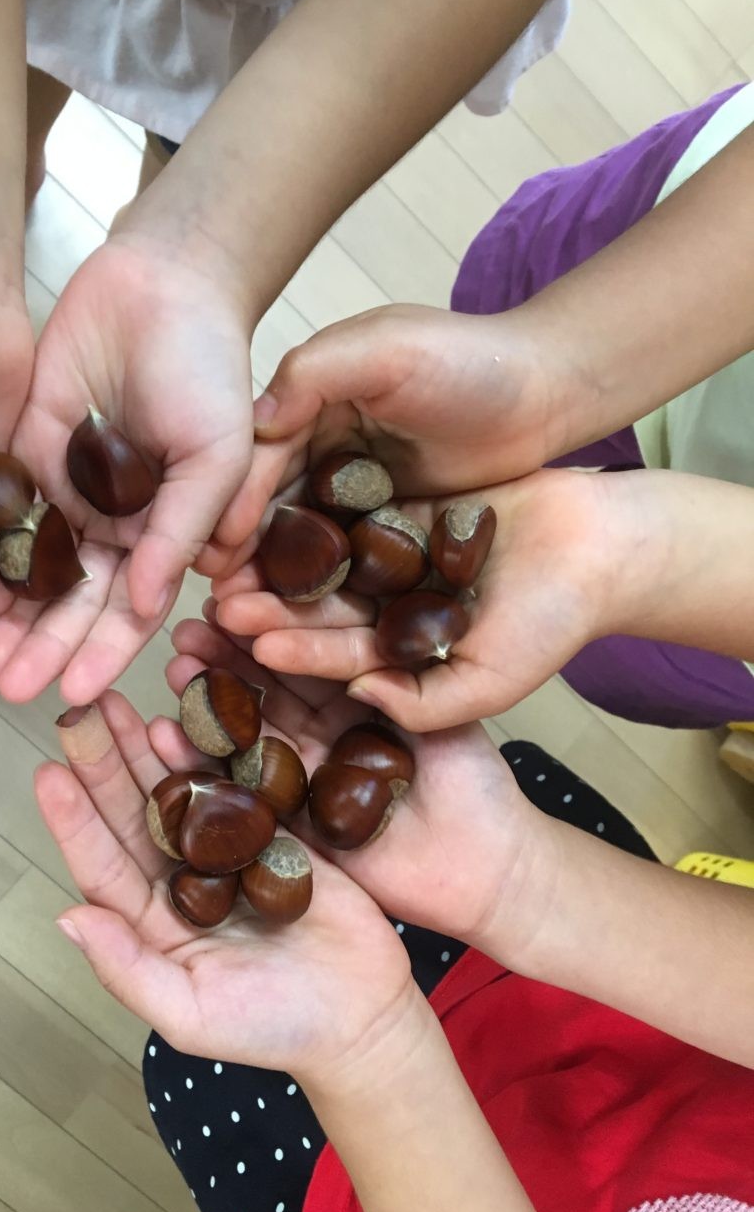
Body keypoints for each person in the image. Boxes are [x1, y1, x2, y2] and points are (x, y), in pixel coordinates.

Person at [0, 0, 586, 764]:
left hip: (310, 0)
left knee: (201, 106)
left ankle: (140, 225)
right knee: (34, 30)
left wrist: (198, 258)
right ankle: (2, 191)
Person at [36, 652, 754, 1212]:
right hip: (628, 974)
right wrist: (529, 883)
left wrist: (372, 1061)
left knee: (193, 1057)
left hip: (383, 1196)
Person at [212, 84, 754, 731]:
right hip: (695, 241)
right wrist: (547, 372)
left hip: (724, 593)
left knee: (612, 658)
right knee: (511, 287)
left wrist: (620, 556)